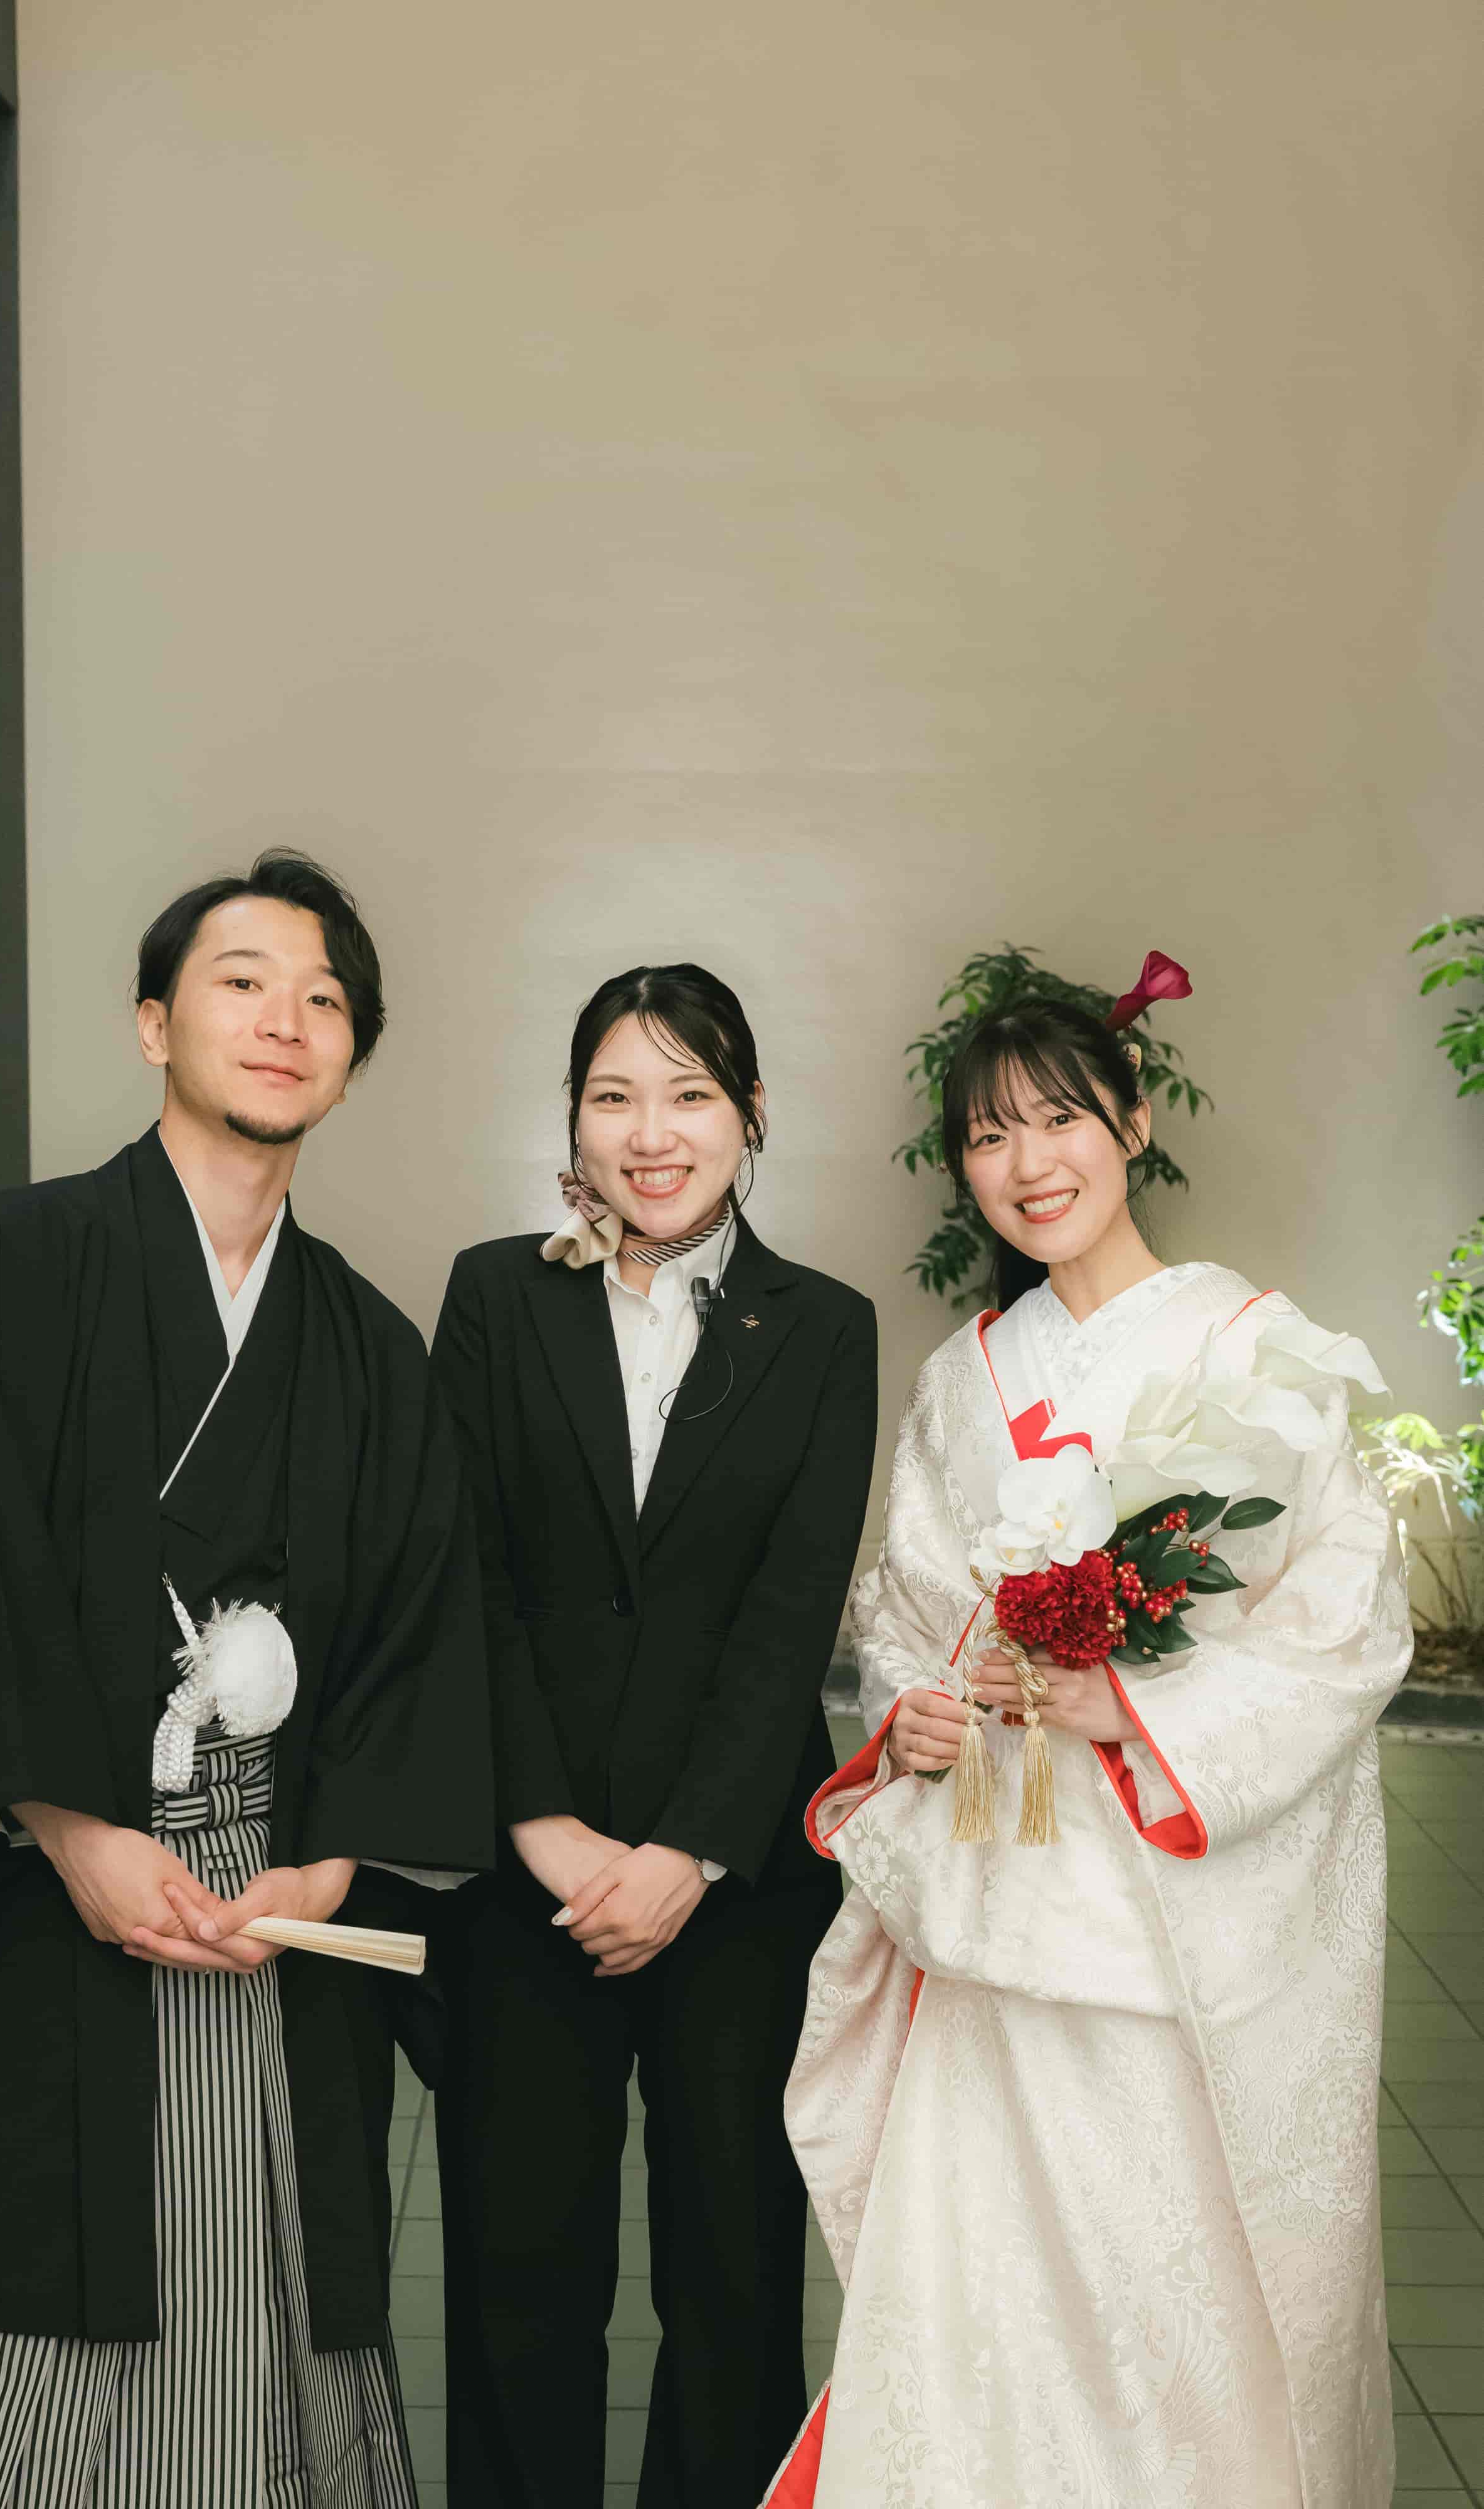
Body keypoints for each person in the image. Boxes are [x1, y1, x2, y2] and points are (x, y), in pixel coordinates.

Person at [0, 849, 494, 2508]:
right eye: (240, 981)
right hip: (31, 1893)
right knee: (36, 2299)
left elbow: (419, 1635)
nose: (285, 1019)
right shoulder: (4, 1264)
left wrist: (327, 1861)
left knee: (269, 2306)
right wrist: (65, 1825)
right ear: (151, 1023)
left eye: (322, 998)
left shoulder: (367, 1347)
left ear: (351, 1056)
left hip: (275, 1905)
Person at [765, 967, 1410, 2509]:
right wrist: (914, 1711)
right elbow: (910, 1612)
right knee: (985, 2303)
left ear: (1130, 1121)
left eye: (1057, 1116)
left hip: (1170, 1932)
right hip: (997, 1909)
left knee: (1170, 2299)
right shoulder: (961, 1377)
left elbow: (1345, 1620)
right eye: (987, 1134)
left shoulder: (1253, 1348)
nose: (1026, 1161)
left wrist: (1129, 1704)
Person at [429, 963, 878, 2509]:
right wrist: (540, 1823)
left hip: (735, 1880)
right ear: (571, 1120)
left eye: (688, 1093)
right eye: (613, 1095)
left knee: (732, 2277)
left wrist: (685, 1848)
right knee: (516, 2277)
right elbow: (462, 1576)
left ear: (750, 1115)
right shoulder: (496, 1296)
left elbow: (789, 1612)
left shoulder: (821, 1327)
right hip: (525, 1878)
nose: (650, 1131)